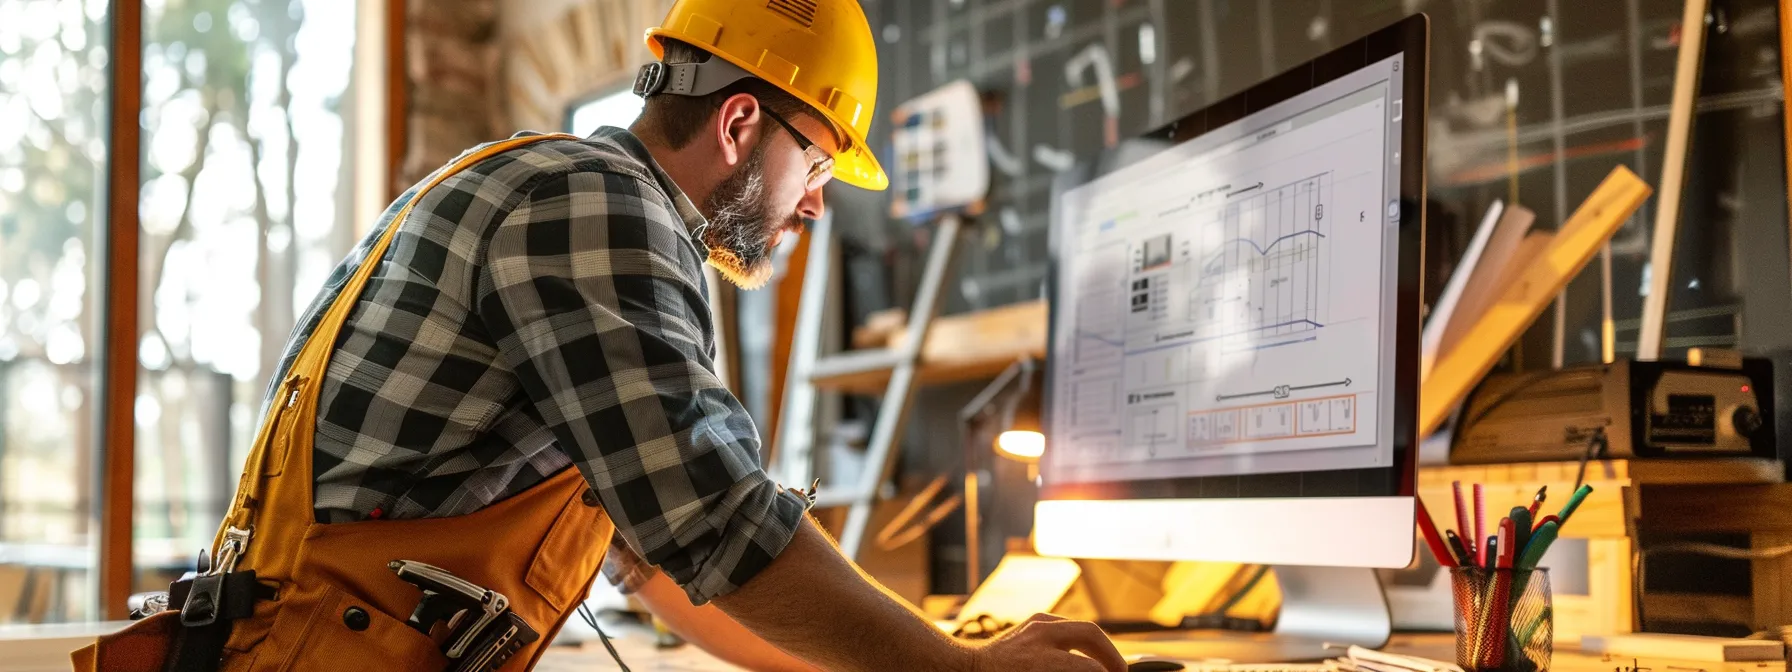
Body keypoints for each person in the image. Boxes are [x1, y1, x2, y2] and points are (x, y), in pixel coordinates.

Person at [73, 1, 1128, 671]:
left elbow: (666, 569)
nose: (814, 205)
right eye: (817, 163)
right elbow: (717, 520)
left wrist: (886, 662)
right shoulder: (597, 205)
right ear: (741, 124)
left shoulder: (545, 186)